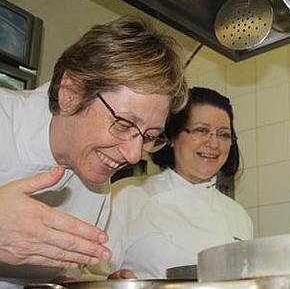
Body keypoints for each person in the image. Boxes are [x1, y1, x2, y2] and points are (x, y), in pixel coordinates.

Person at [0, 15, 188, 287]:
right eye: (124, 124)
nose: (134, 155)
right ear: (70, 93)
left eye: (149, 137)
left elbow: (61, 276)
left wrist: (98, 283)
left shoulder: (97, 184)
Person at [90, 87, 252, 279]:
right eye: (201, 130)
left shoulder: (239, 216)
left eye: (224, 134)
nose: (214, 143)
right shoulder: (128, 195)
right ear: (173, 137)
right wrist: (112, 282)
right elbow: (89, 274)